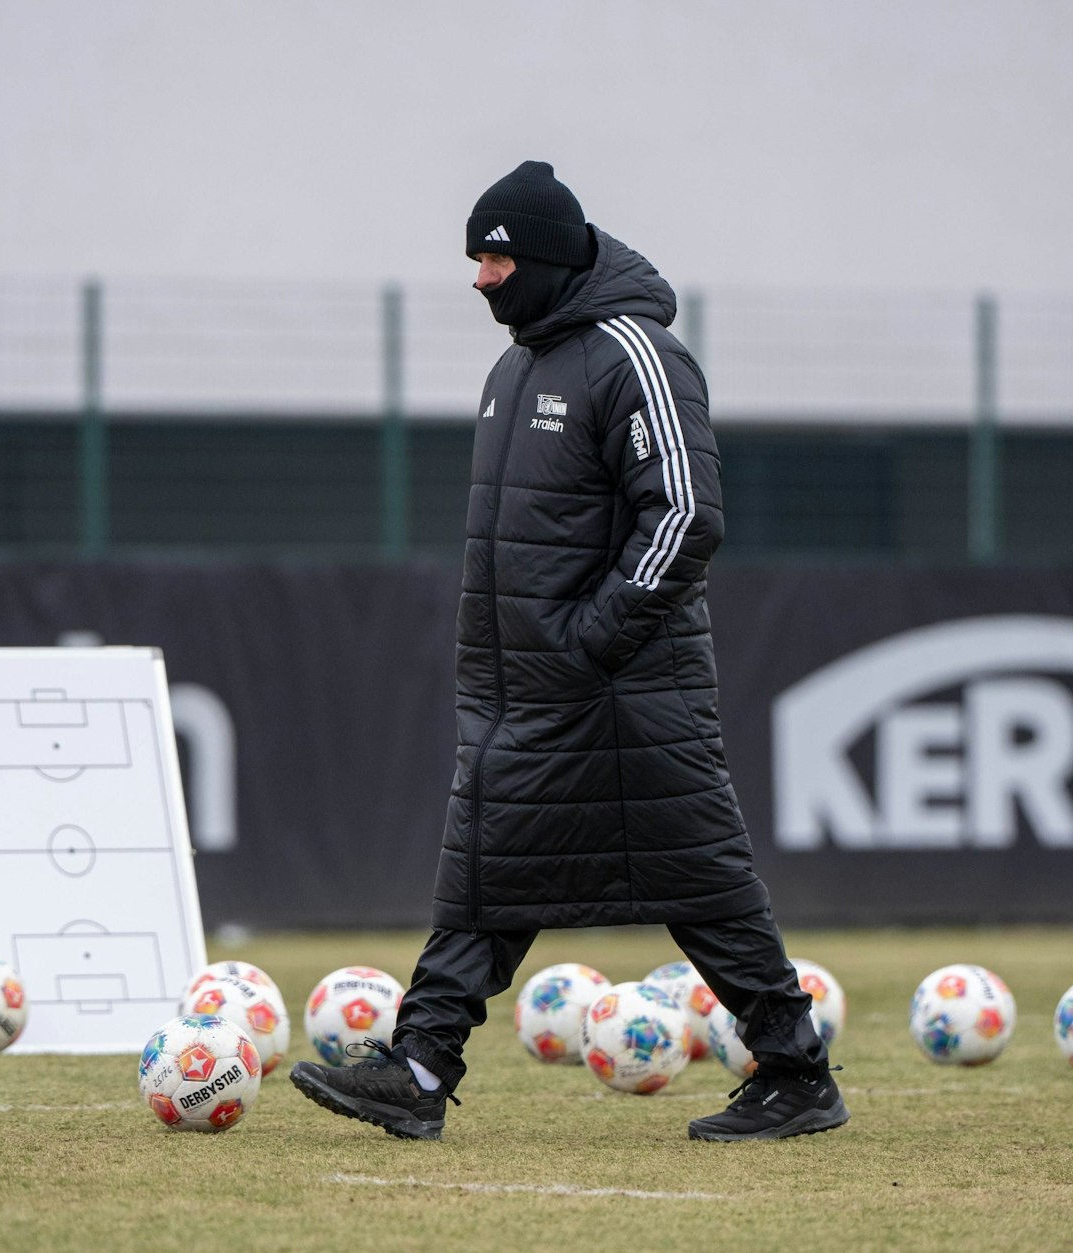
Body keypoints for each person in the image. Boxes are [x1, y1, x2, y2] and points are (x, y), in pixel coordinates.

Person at [290, 160, 846, 1142]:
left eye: (493, 256)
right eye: (473, 259)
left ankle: (796, 1072)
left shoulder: (636, 352)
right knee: (483, 871)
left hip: (624, 687)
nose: (478, 279)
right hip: (528, 690)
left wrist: (595, 636)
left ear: (541, 255)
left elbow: (684, 513)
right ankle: (419, 1065)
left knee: (699, 879)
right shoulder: (515, 369)